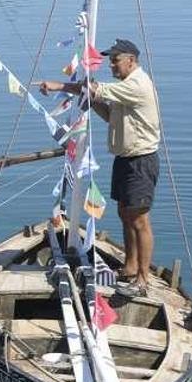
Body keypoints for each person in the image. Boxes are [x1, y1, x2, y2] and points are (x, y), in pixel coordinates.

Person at [37, 39, 160, 298]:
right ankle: (129, 267)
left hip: (140, 160)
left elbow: (94, 88)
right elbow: (107, 110)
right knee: (125, 214)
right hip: (125, 159)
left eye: (115, 60)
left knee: (139, 219)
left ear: (131, 60)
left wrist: (61, 85)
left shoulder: (137, 84)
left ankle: (142, 279)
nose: (111, 65)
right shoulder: (125, 89)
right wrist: (87, 100)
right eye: (110, 60)